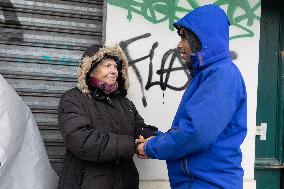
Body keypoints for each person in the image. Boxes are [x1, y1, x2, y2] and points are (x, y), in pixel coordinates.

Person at [136, 4, 247, 189]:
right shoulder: (209, 74)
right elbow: (194, 130)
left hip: (208, 184)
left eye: (184, 37)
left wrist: (150, 148)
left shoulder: (221, 75)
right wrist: (157, 139)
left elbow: (195, 134)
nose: (179, 45)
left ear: (202, 38)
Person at [57, 45, 157, 189]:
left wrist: (151, 138)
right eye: (107, 66)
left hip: (125, 182)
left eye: (116, 67)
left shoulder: (124, 102)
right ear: (91, 70)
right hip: (86, 183)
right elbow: (82, 141)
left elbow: (138, 126)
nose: (114, 71)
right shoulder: (73, 99)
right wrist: (133, 145)